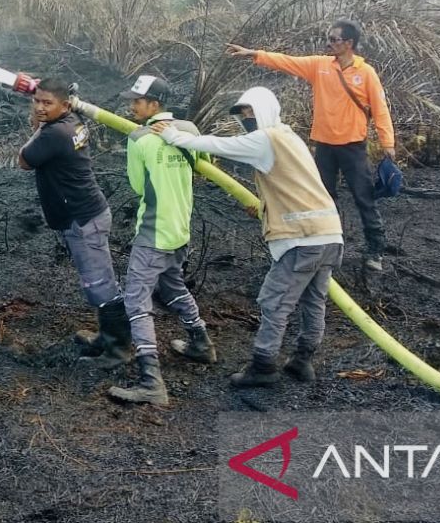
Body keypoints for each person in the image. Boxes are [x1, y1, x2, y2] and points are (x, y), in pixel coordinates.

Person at [153, 86, 343, 387]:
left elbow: (220, 145)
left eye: (250, 111)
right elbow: (295, 187)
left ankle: (263, 366)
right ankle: (302, 362)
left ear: (265, 109)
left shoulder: (266, 139)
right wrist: (267, 208)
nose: (246, 118)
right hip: (330, 234)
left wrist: (174, 136)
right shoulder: (290, 138)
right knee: (314, 301)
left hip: (302, 239)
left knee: (274, 301)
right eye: (242, 114)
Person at [226, 20, 394, 271]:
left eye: (334, 39)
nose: (329, 43)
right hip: (324, 146)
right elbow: (288, 61)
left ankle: (375, 250)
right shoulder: (320, 65)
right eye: (329, 38)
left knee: (364, 197)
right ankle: (330, 246)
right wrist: (255, 54)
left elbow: (380, 109)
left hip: (353, 146)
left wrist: (387, 143)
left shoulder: (365, 72)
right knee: (324, 198)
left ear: (349, 43)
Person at [99, 75, 217, 408]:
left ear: (155, 104)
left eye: (137, 101)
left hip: (153, 232)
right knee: (173, 287)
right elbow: (204, 167)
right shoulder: (190, 130)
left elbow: (138, 187)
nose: (131, 106)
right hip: (180, 229)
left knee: (137, 302)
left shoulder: (139, 139)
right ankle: (201, 343)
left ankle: (151, 383)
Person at [18, 78, 132, 366]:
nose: (40, 108)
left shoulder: (55, 134)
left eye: (47, 103)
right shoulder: (74, 120)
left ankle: (118, 349)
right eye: (37, 101)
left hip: (83, 219)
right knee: (99, 279)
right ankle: (107, 338)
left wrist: (38, 121)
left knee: (100, 284)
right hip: (88, 212)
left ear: (65, 105)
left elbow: (24, 160)